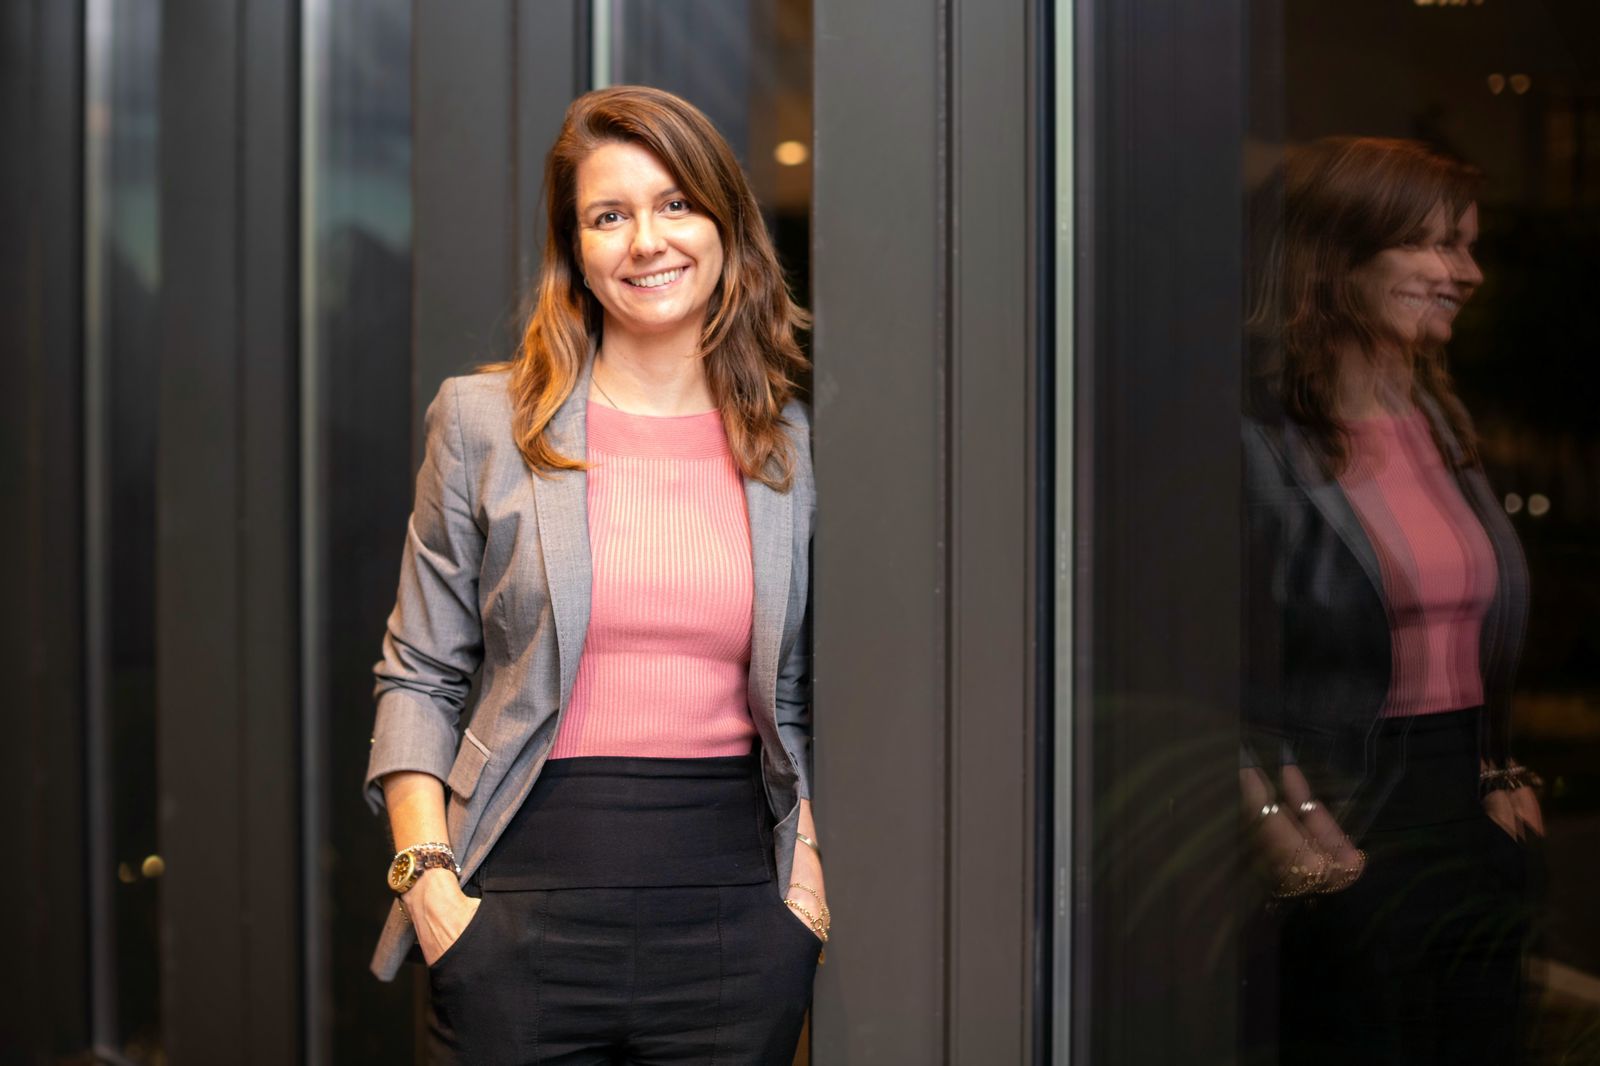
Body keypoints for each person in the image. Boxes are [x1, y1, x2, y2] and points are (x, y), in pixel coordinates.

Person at [362, 85, 826, 1064]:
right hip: (511, 911)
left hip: (737, 925)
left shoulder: (789, 445)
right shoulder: (487, 423)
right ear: (576, 250)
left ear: (725, 225)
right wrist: (428, 881)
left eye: (675, 204)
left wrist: (805, 892)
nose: (645, 240)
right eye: (608, 216)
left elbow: (796, 691)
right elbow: (419, 673)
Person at [1240, 137, 1543, 1065]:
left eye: (1469, 246)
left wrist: (1494, 769)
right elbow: (1187, 662)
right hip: (1337, 822)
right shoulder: (1256, 439)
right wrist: (1265, 822)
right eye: (1437, 246)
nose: (1467, 273)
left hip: (1465, 822)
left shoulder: (1440, 422)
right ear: (1340, 258)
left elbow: (1465, 629)